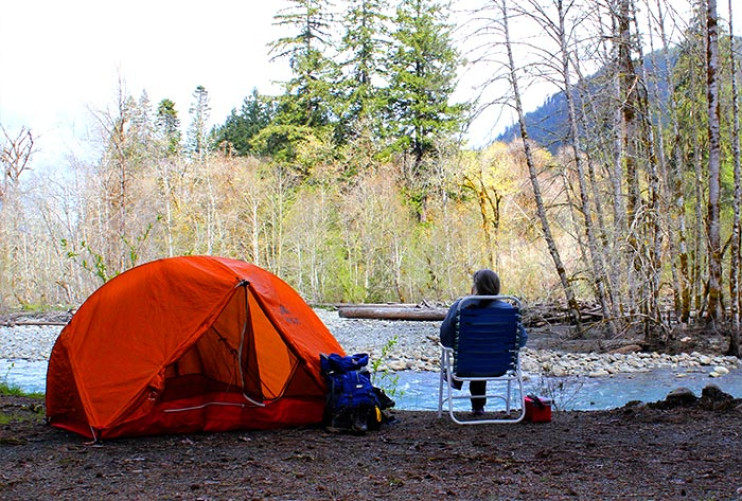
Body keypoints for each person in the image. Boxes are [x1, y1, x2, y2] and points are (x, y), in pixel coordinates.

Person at [439, 269, 528, 416]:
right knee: (482, 355)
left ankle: (458, 382)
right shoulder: (508, 310)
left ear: (475, 287)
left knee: (473, 355)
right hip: (499, 367)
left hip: (466, 366)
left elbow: (445, 337)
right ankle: (478, 407)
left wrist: (455, 347)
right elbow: (522, 340)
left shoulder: (461, 306)